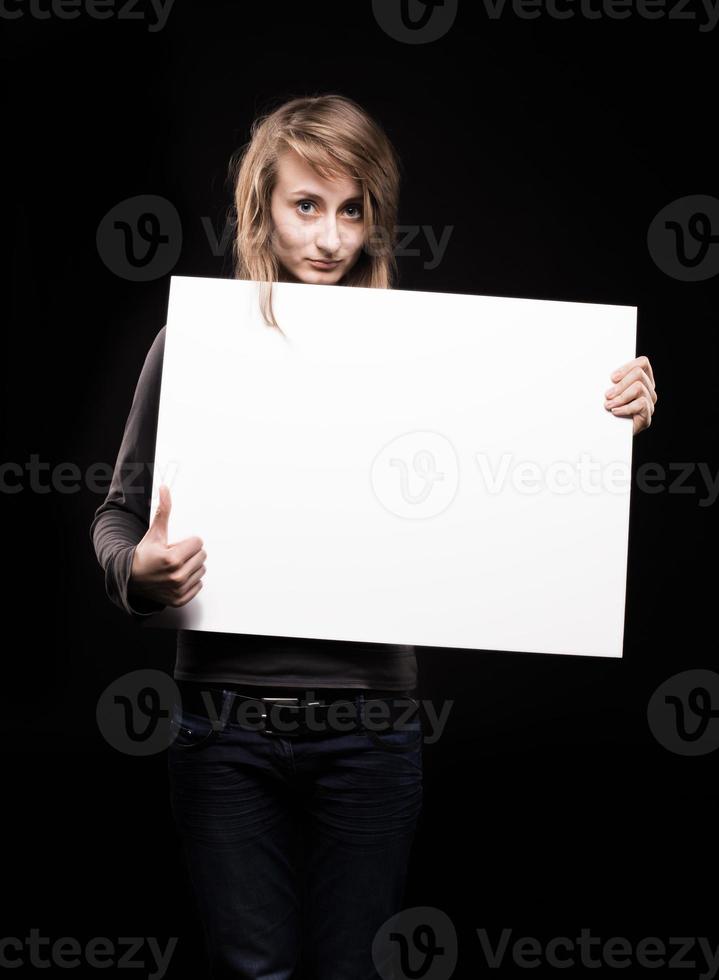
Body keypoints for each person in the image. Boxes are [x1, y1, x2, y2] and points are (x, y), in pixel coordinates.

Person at [89, 94, 658, 980]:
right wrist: (138, 573)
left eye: (351, 209)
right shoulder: (194, 344)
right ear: (260, 211)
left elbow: (524, 462)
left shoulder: (429, 353)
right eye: (304, 205)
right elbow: (117, 517)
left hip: (372, 728)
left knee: (352, 968)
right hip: (222, 728)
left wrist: (606, 412)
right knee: (251, 969)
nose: (328, 236)